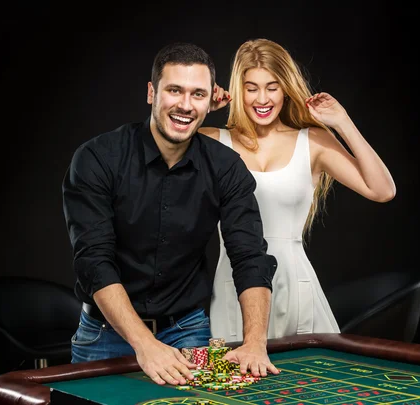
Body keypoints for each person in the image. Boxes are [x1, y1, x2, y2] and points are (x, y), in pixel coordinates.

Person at [62, 42, 280, 387]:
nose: (184, 105)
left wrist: (254, 342)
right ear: (152, 92)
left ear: (210, 102)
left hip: (187, 330)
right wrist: (145, 345)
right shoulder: (97, 158)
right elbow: (94, 262)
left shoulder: (226, 168)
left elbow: (250, 256)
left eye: (197, 94)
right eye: (174, 90)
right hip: (104, 333)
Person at [201, 38, 396, 342]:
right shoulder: (212, 141)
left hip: (295, 285)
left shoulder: (313, 141)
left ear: (286, 88)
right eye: (251, 88)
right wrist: (201, 108)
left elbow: (382, 189)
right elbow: (157, 153)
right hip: (233, 283)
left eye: (272, 87)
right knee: (235, 386)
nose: (261, 98)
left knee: (311, 387)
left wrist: (342, 122)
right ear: (238, 90)